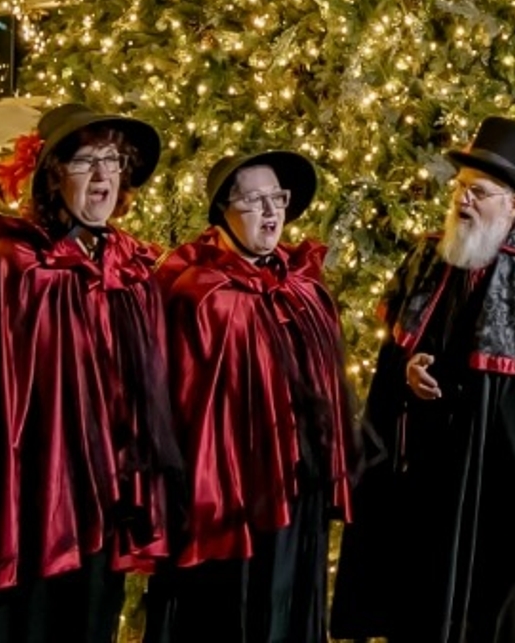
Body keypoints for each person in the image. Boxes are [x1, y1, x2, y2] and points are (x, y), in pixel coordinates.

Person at [0, 102, 184, 643]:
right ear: (51, 174)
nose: (102, 176)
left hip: (106, 503)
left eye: (113, 161)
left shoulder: (133, 273)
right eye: (85, 161)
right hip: (28, 504)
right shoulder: (16, 265)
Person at [330, 115, 515, 643]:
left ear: (513, 205)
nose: (464, 201)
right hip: (420, 479)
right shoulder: (430, 257)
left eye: (480, 193)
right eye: (462, 189)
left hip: (492, 495)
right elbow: (395, 357)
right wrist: (407, 369)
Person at [144, 149, 358, 643]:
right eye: (254, 200)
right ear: (223, 209)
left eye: (277, 198)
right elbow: (175, 406)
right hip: (230, 501)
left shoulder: (303, 287)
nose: (270, 212)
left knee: (291, 606)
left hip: (299, 491)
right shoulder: (200, 293)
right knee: (231, 616)